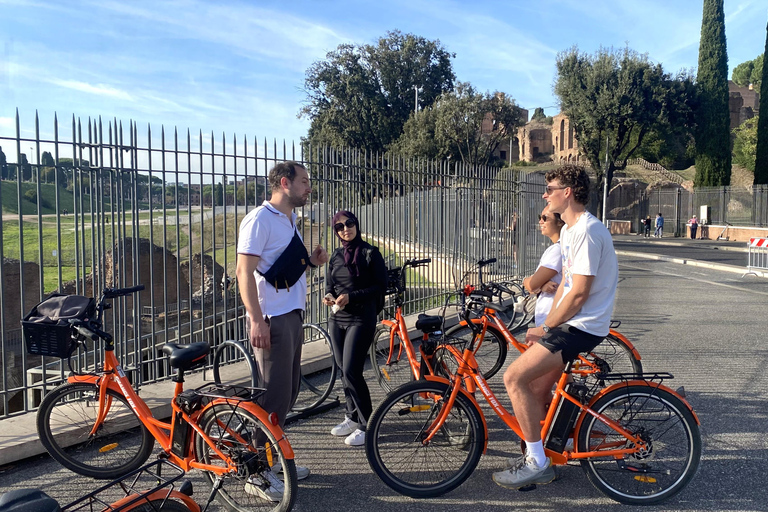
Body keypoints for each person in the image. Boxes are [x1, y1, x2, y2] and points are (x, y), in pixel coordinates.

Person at [493, 165, 618, 490]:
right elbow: (565, 286)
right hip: (573, 324)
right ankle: (539, 451)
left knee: (513, 378)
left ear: (568, 192)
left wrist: (547, 327)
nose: (545, 195)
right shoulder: (572, 232)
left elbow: (579, 294)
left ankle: (537, 463)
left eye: (550, 189)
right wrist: (547, 325)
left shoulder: (587, 231)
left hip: (582, 327)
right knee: (535, 389)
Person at [236, 161, 328, 501]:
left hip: (291, 314)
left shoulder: (289, 219)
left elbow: (281, 267)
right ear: (285, 183)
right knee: (271, 397)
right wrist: (256, 319)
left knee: (287, 393)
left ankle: (272, 461)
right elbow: (243, 272)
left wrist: (312, 262)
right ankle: (256, 472)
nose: (309, 187)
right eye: (304, 181)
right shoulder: (259, 219)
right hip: (272, 318)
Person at [323, 211, 388, 447]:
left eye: (349, 223)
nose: (345, 229)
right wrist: (329, 296)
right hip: (338, 318)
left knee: (352, 370)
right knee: (343, 369)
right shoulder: (336, 256)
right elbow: (330, 285)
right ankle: (351, 416)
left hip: (361, 318)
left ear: (356, 225)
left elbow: (381, 286)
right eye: (339, 227)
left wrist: (352, 296)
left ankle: (367, 424)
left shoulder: (370, 253)